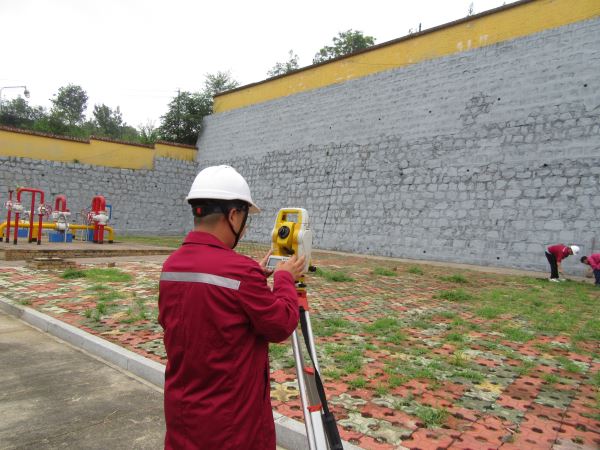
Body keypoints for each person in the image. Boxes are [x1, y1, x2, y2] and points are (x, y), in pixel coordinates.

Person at [158, 165, 306, 450]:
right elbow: (281, 325)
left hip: (183, 418)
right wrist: (285, 278)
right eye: (245, 219)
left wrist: (252, 278)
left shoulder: (171, 266)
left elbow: (201, 309)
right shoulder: (240, 273)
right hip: (232, 428)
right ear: (234, 214)